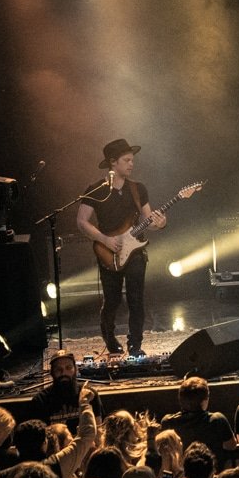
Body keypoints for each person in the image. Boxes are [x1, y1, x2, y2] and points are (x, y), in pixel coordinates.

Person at [77, 138, 168, 357]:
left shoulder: (138, 189)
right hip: (108, 252)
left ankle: (135, 344)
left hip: (135, 252)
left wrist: (160, 223)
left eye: (132, 160)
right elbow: (81, 221)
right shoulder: (96, 190)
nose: (131, 164)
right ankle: (109, 337)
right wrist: (104, 239)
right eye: (126, 160)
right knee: (113, 299)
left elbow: (148, 220)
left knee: (136, 299)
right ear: (113, 162)